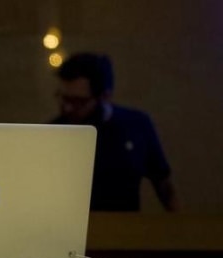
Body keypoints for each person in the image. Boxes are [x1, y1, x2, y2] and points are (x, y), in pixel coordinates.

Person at [49, 52, 179, 212]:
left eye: (78, 101)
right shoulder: (52, 132)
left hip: (125, 230)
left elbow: (163, 185)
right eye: (63, 98)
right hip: (69, 230)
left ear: (105, 96)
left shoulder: (136, 125)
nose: (68, 108)